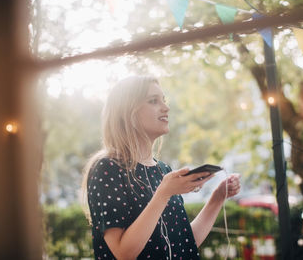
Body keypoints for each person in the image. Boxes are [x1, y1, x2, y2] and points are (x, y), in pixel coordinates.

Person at [81, 76, 241, 260]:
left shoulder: (163, 170)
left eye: (163, 100)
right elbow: (123, 253)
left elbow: (184, 243)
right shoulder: (107, 168)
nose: (166, 108)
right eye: (153, 101)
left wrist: (217, 198)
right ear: (127, 112)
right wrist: (163, 194)